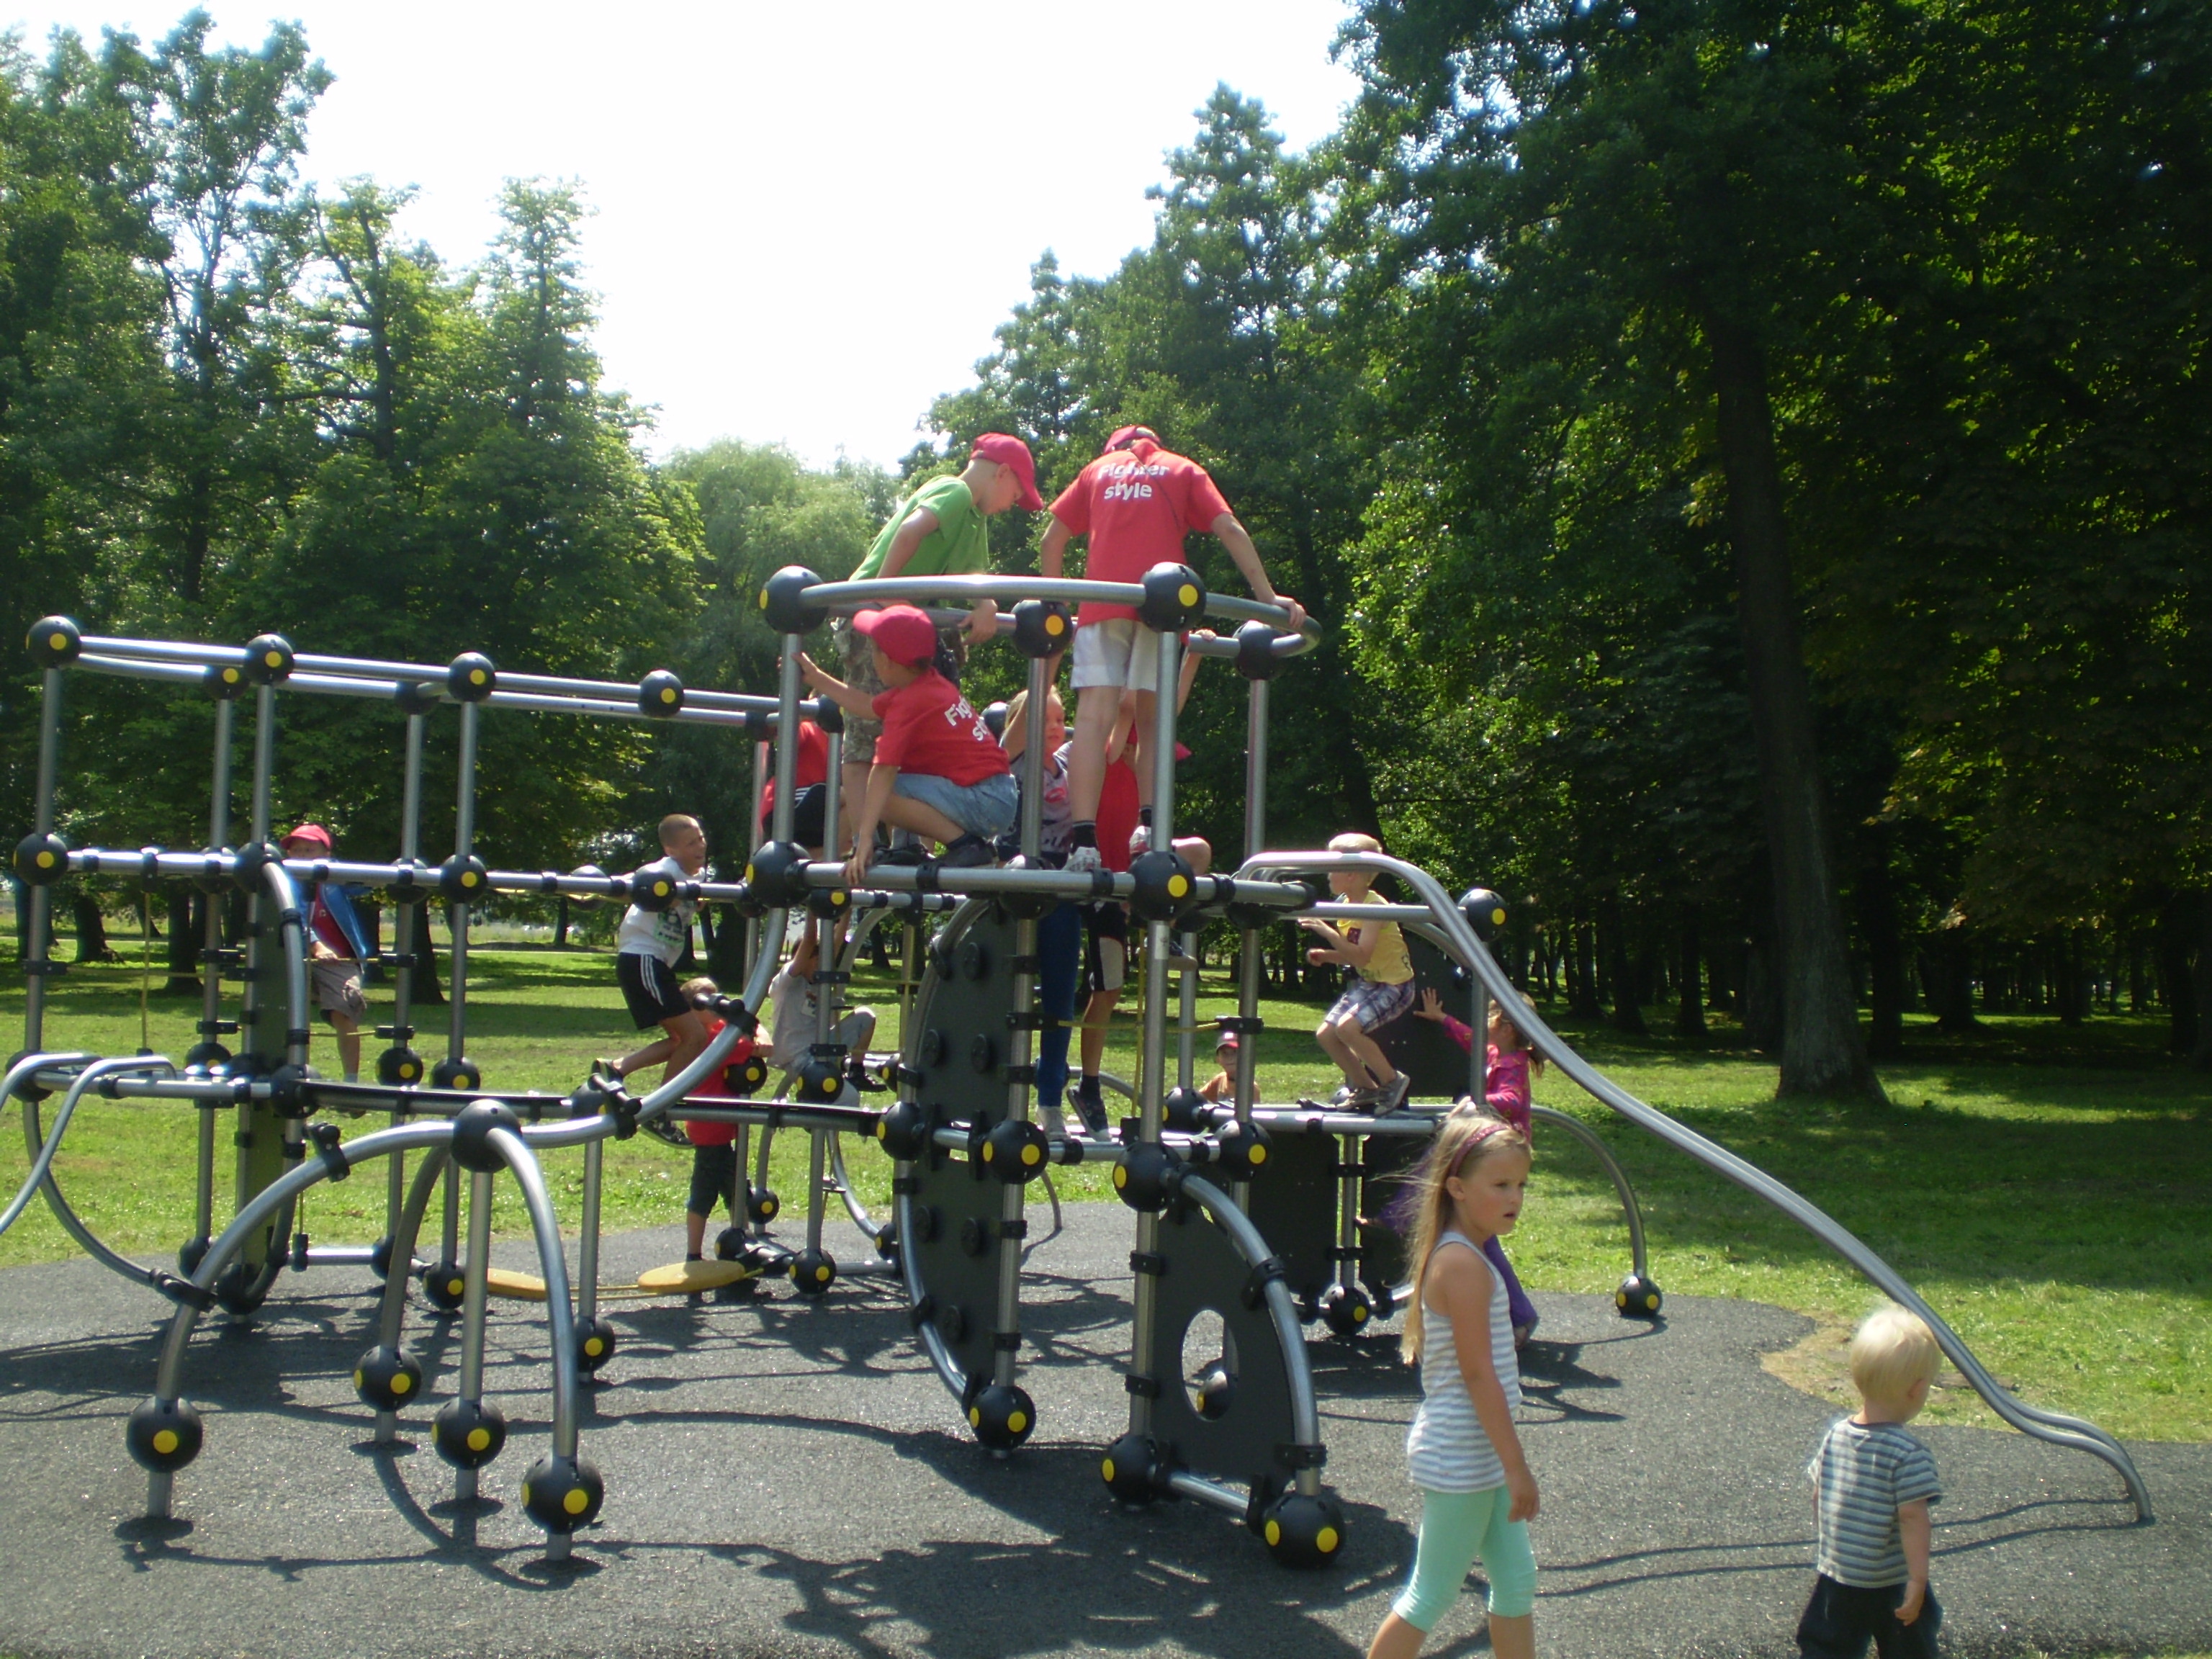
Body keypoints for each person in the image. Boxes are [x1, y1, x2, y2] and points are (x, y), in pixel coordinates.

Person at [1040, 426, 1302, 873]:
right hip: (1162, 609)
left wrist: (1056, 605)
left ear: (1113, 450)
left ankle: (1083, 842)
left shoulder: (1096, 471)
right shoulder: (1183, 469)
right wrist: (1267, 597)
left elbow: (1051, 539)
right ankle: (1149, 828)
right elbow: (1228, 527)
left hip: (1103, 606)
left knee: (1092, 719)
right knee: (1153, 721)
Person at [1367, 1109, 1539, 1659]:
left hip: (1478, 1450)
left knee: (1516, 1581)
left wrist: (1506, 1461)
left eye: (1521, 1185)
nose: (1515, 1197)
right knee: (1432, 1593)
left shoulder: (1468, 1255)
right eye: (1501, 1185)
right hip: (1462, 1454)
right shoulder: (1462, 1265)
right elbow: (1477, 1373)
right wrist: (1516, 1465)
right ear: (1458, 1188)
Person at [832, 433, 1041, 849]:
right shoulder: (955, 491)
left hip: (903, 620)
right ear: (1002, 473)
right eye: (1015, 496)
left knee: (911, 735)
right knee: (866, 739)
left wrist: (985, 605)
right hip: (871, 617)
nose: (1009, 507)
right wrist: (885, 589)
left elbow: (973, 576)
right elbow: (910, 531)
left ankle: (905, 846)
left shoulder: (975, 519)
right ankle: (863, 844)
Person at [799, 604, 1017, 881]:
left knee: (876, 793)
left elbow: (883, 771)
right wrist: (816, 677)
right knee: (889, 787)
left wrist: (864, 843)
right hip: (996, 795)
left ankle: (966, 847)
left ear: (887, 661)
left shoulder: (909, 704)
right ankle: (914, 847)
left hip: (986, 800)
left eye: (874, 650)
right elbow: (866, 706)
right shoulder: (927, 685)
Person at [1795, 1307, 1945, 1659]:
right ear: (1917, 1390)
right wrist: (1918, 1580)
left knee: (1828, 1645)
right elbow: (1912, 1518)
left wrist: (1835, 1546)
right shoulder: (1907, 1453)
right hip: (1891, 1579)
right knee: (1911, 1647)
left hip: (1838, 1573)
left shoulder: (1836, 1435)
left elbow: (1819, 1495)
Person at [1415, 986, 1545, 1343]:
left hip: (1502, 1155)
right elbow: (1471, 1039)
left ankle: (1520, 1316)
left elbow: (1512, 1099)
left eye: (1488, 1016)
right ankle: (1518, 1316)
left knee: (1480, 1235)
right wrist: (1442, 1018)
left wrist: (1477, 1101)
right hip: (1488, 1153)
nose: (1481, 1022)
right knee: (1476, 1232)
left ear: (1505, 1026)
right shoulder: (1494, 1053)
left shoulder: (1513, 1064)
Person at [999, 678, 1083, 1138]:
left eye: (1060, 717)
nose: (1055, 726)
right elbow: (1024, 716)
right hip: (1013, 887)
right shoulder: (1011, 759)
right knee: (1002, 992)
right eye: (1044, 717)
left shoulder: (1070, 763)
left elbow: (1117, 725)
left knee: (1060, 998)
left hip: (1059, 889)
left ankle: (1050, 1099)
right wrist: (1048, 655)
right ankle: (995, 1090)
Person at [1298, 832, 1417, 1112]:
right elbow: (1355, 954)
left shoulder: (1374, 908)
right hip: (1371, 981)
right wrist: (1328, 956)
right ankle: (1367, 1089)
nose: (1328, 874)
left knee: (1347, 1028)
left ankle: (1392, 1081)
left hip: (1395, 985)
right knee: (1327, 1034)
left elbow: (1362, 955)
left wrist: (1327, 933)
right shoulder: (1345, 904)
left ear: (1351, 874)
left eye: (1332, 868)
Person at [605, 814, 710, 1089]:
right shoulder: (662, 871)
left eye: (700, 839)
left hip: (655, 963)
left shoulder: (699, 877)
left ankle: (616, 1068)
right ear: (671, 850)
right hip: (642, 958)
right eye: (691, 843)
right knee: (695, 1038)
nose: (700, 846)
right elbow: (623, 888)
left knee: (681, 1039)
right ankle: (664, 1105)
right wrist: (651, 893)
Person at [677, 975, 760, 1262]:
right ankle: (693, 1254)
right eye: (707, 1000)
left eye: (718, 996)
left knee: (736, 1187)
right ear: (692, 1010)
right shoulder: (715, 1040)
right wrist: (758, 1032)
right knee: (704, 1192)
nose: (717, 1004)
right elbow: (761, 1047)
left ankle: (743, 1242)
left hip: (714, 1127)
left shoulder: (710, 1032)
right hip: (711, 1125)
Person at [280, 824, 371, 1082]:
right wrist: (315, 944)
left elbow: (364, 886)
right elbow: (294, 917)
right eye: (297, 851)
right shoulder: (284, 881)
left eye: (310, 850)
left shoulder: (332, 880)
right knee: (281, 1011)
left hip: (338, 959)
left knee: (344, 1006)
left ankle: (351, 1079)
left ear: (326, 854)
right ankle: (287, 1070)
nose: (302, 856)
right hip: (294, 955)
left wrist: (340, 872)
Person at [765, 922, 876, 1084]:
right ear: (803, 959)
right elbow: (810, 940)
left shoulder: (820, 981)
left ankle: (856, 1071)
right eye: (817, 961)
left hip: (822, 1047)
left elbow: (836, 943)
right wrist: (812, 911)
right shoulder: (787, 981)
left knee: (866, 1016)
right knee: (847, 1096)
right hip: (797, 1056)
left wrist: (847, 911)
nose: (821, 966)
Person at [758, 714, 831, 851]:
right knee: (851, 797)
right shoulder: (809, 728)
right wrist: (801, 714)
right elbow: (790, 738)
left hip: (814, 813)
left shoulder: (843, 745)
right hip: (784, 806)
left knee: (857, 804)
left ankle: (816, 857)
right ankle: (821, 856)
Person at [1197, 1032, 1240, 1104]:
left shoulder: (1249, 1087)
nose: (1230, 1058)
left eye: (1235, 1052)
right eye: (1224, 1053)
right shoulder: (1220, 1079)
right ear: (1218, 1059)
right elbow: (1197, 1098)